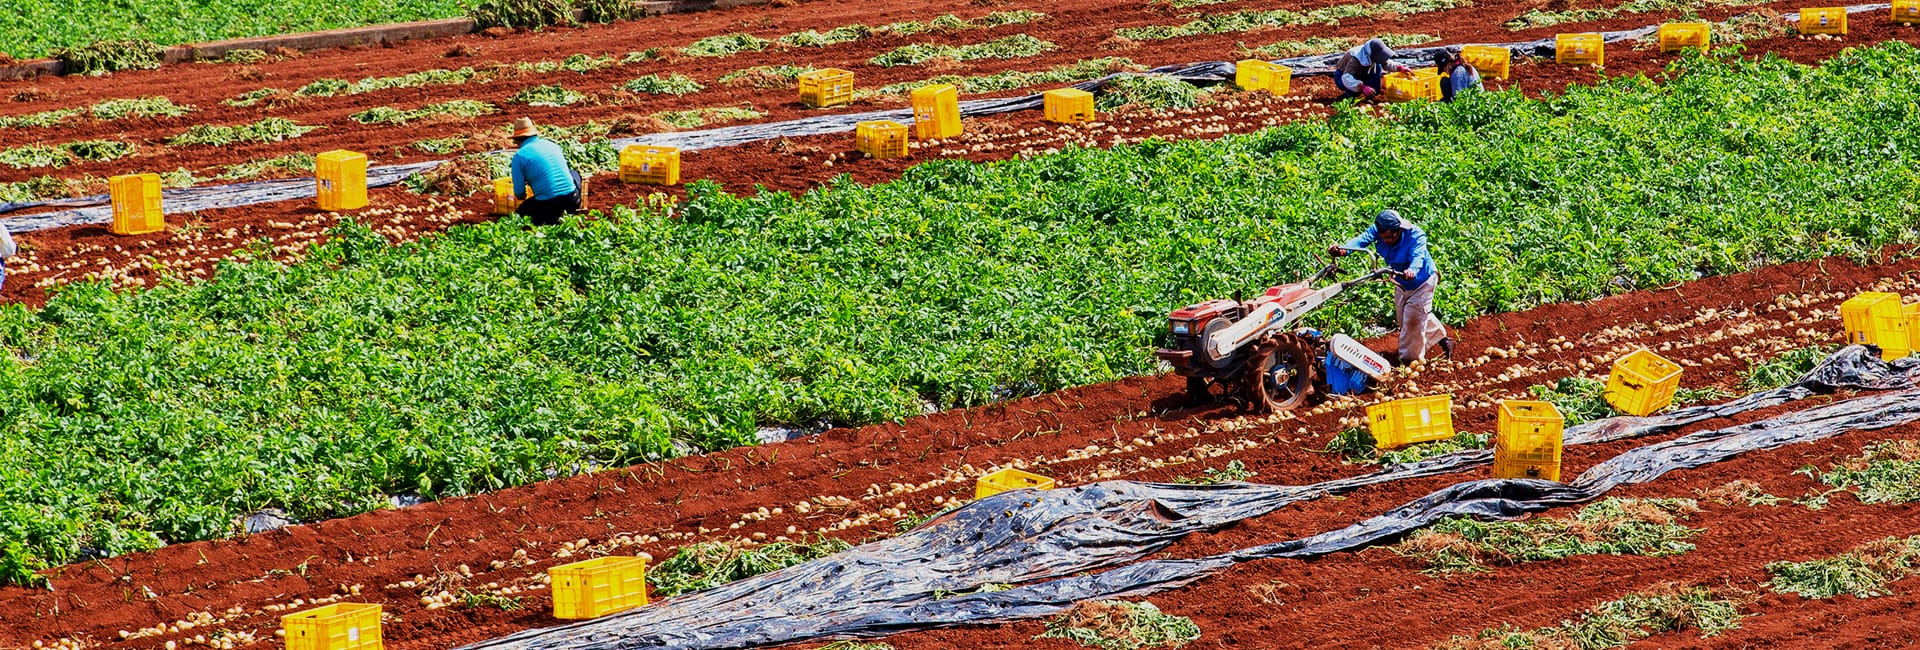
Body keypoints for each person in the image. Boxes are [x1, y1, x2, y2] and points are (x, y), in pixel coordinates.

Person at [1331, 210, 1455, 363]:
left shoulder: (1416, 235)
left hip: (1423, 281)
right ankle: (1442, 339)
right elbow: (1361, 240)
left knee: (1412, 318)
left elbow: (1418, 257)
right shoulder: (1377, 230)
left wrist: (1412, 270)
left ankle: (1410, 361)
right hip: (1400, 281)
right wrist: (1343, 250)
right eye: (1384, 237)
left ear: (1399, 230)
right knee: (1408, 317)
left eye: (1391, 236)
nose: (1388, 240)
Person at [507, 117, 582, 226]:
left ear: (517, 140)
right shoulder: (552, 145)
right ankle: (572, 208)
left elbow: (520, 194)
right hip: (571, 200)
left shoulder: (519, 157)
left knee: (520, 214)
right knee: (573, 173)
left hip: (547, 205)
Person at [1333, 39, 1412, 101]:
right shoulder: (1355, 58)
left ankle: (1371, 93)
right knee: (1353, 92)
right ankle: (1349, 97)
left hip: (1362, 72)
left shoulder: (1372, 55)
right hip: (1342, 75)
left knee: (1378, 66)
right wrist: (1362, 87)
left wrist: (1400, 68)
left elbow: (1385, 63)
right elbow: (1346, 77)